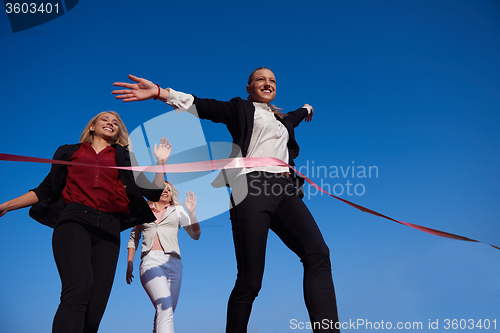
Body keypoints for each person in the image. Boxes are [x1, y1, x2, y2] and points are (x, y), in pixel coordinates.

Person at [113, 68, 340, 333]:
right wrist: (161, 93)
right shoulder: (240, 109)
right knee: (250, 282)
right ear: (249, 87)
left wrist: (307, 108)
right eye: (260, 80)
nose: (267, 83)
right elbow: (205, 107)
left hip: (286, 190)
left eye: (272, 81)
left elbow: (297, 116)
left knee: (318, 254)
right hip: (251, 188)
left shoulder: (283, 120)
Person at [0, 111, 171, 333]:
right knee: (78, 289)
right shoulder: (68, 152)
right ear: (92, 126)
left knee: (95, 309)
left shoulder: (124, 156)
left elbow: (153, 191)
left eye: (115, 123)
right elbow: (45, 191)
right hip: (74, 221)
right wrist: (4, 206)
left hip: (110, 229)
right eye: (105, 120)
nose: (111, 123)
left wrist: (160, 163)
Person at [126, 181, 200, 333]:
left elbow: (195, 234)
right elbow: (133, 238)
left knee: (166, 311)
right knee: (165, 307)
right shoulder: (142, 210)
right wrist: (130, 263)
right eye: (162, 188)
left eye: (169, 190)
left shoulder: (177, 210)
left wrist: (192, 213)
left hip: (174, 264)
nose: (166, 191)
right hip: (150, 262)